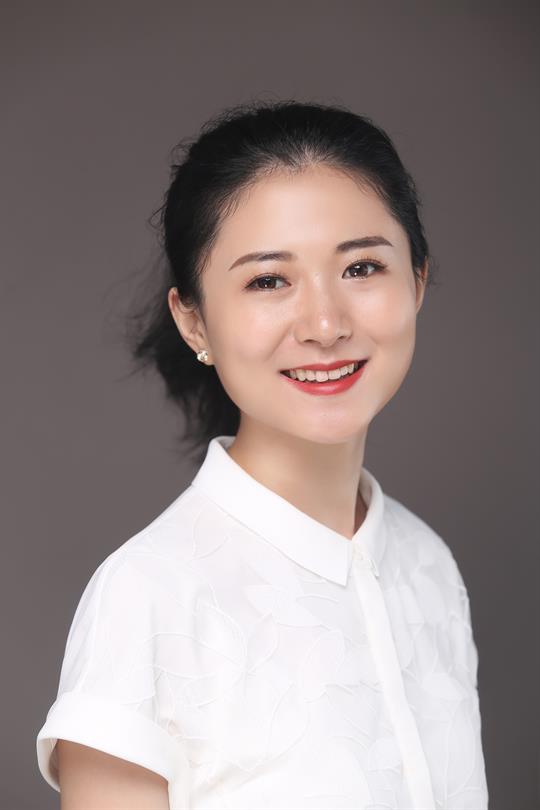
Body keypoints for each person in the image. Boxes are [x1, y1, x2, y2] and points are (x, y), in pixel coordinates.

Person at [35, 100, 489, 810]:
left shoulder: (428, 567)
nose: (326, 324)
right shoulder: (147, 597)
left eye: (362, 267)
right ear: (194, 320)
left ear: (419, 282)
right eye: (268, 280)